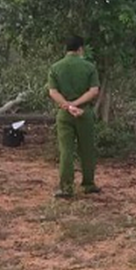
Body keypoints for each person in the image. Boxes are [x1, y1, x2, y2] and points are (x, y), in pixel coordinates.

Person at [47, 36, 101, 198]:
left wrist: (68, 106)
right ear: (80, 49)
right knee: (87, 150)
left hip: (64, 114)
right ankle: (89, 184)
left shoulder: (55, 67)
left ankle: (66, 187)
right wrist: (76, 105)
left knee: (66, 151)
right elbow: (93, 91)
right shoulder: (89, 67)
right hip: (84, 113)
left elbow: (53, 92)